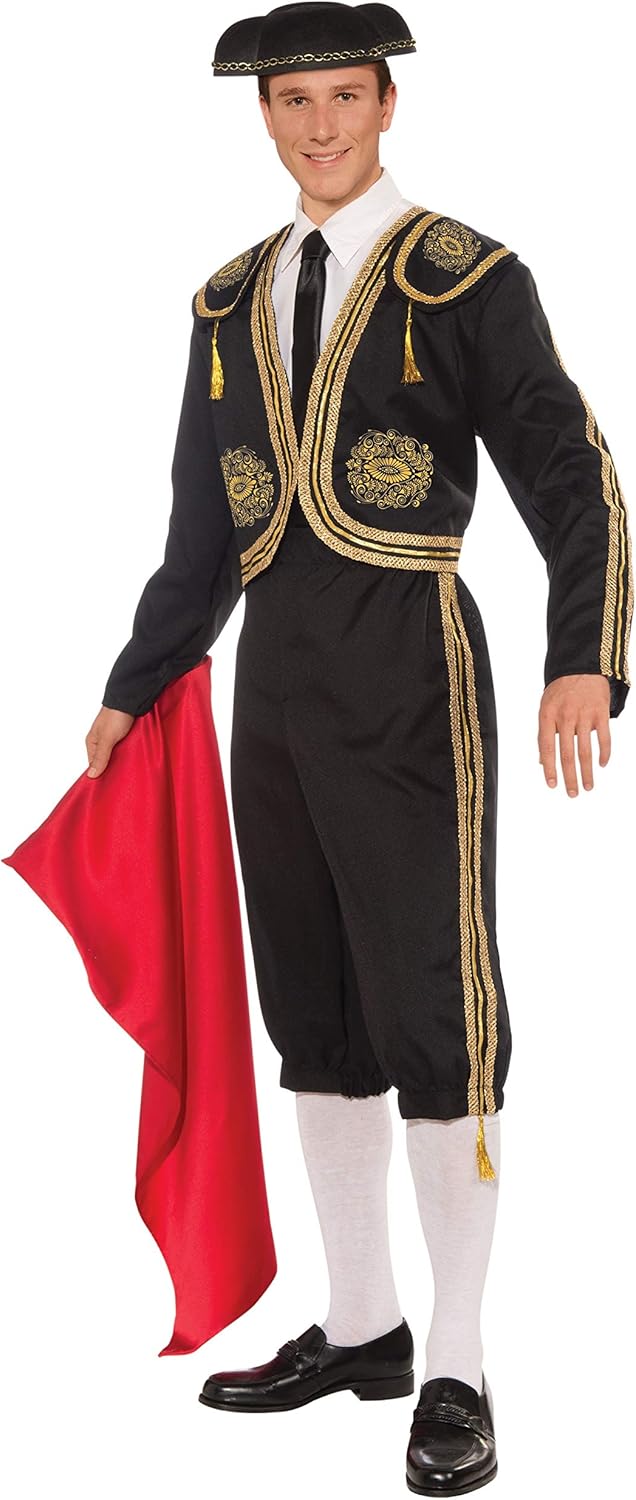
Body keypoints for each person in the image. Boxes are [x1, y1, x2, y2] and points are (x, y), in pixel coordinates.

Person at [85, 4, 632, 1493]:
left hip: (410, 676)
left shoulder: (466, 276)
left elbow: (572, 469)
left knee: (435, 1011)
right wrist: (136, 685)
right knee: (313, 1011)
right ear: (262, 116)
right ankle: (362, 1323)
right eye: (292, 102)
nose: (319, 126)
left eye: (344, 96)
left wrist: (583, 653)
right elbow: (201, 531)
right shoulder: (228, 299)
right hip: (273, 692)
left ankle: (457, 1360)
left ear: (389, 104)